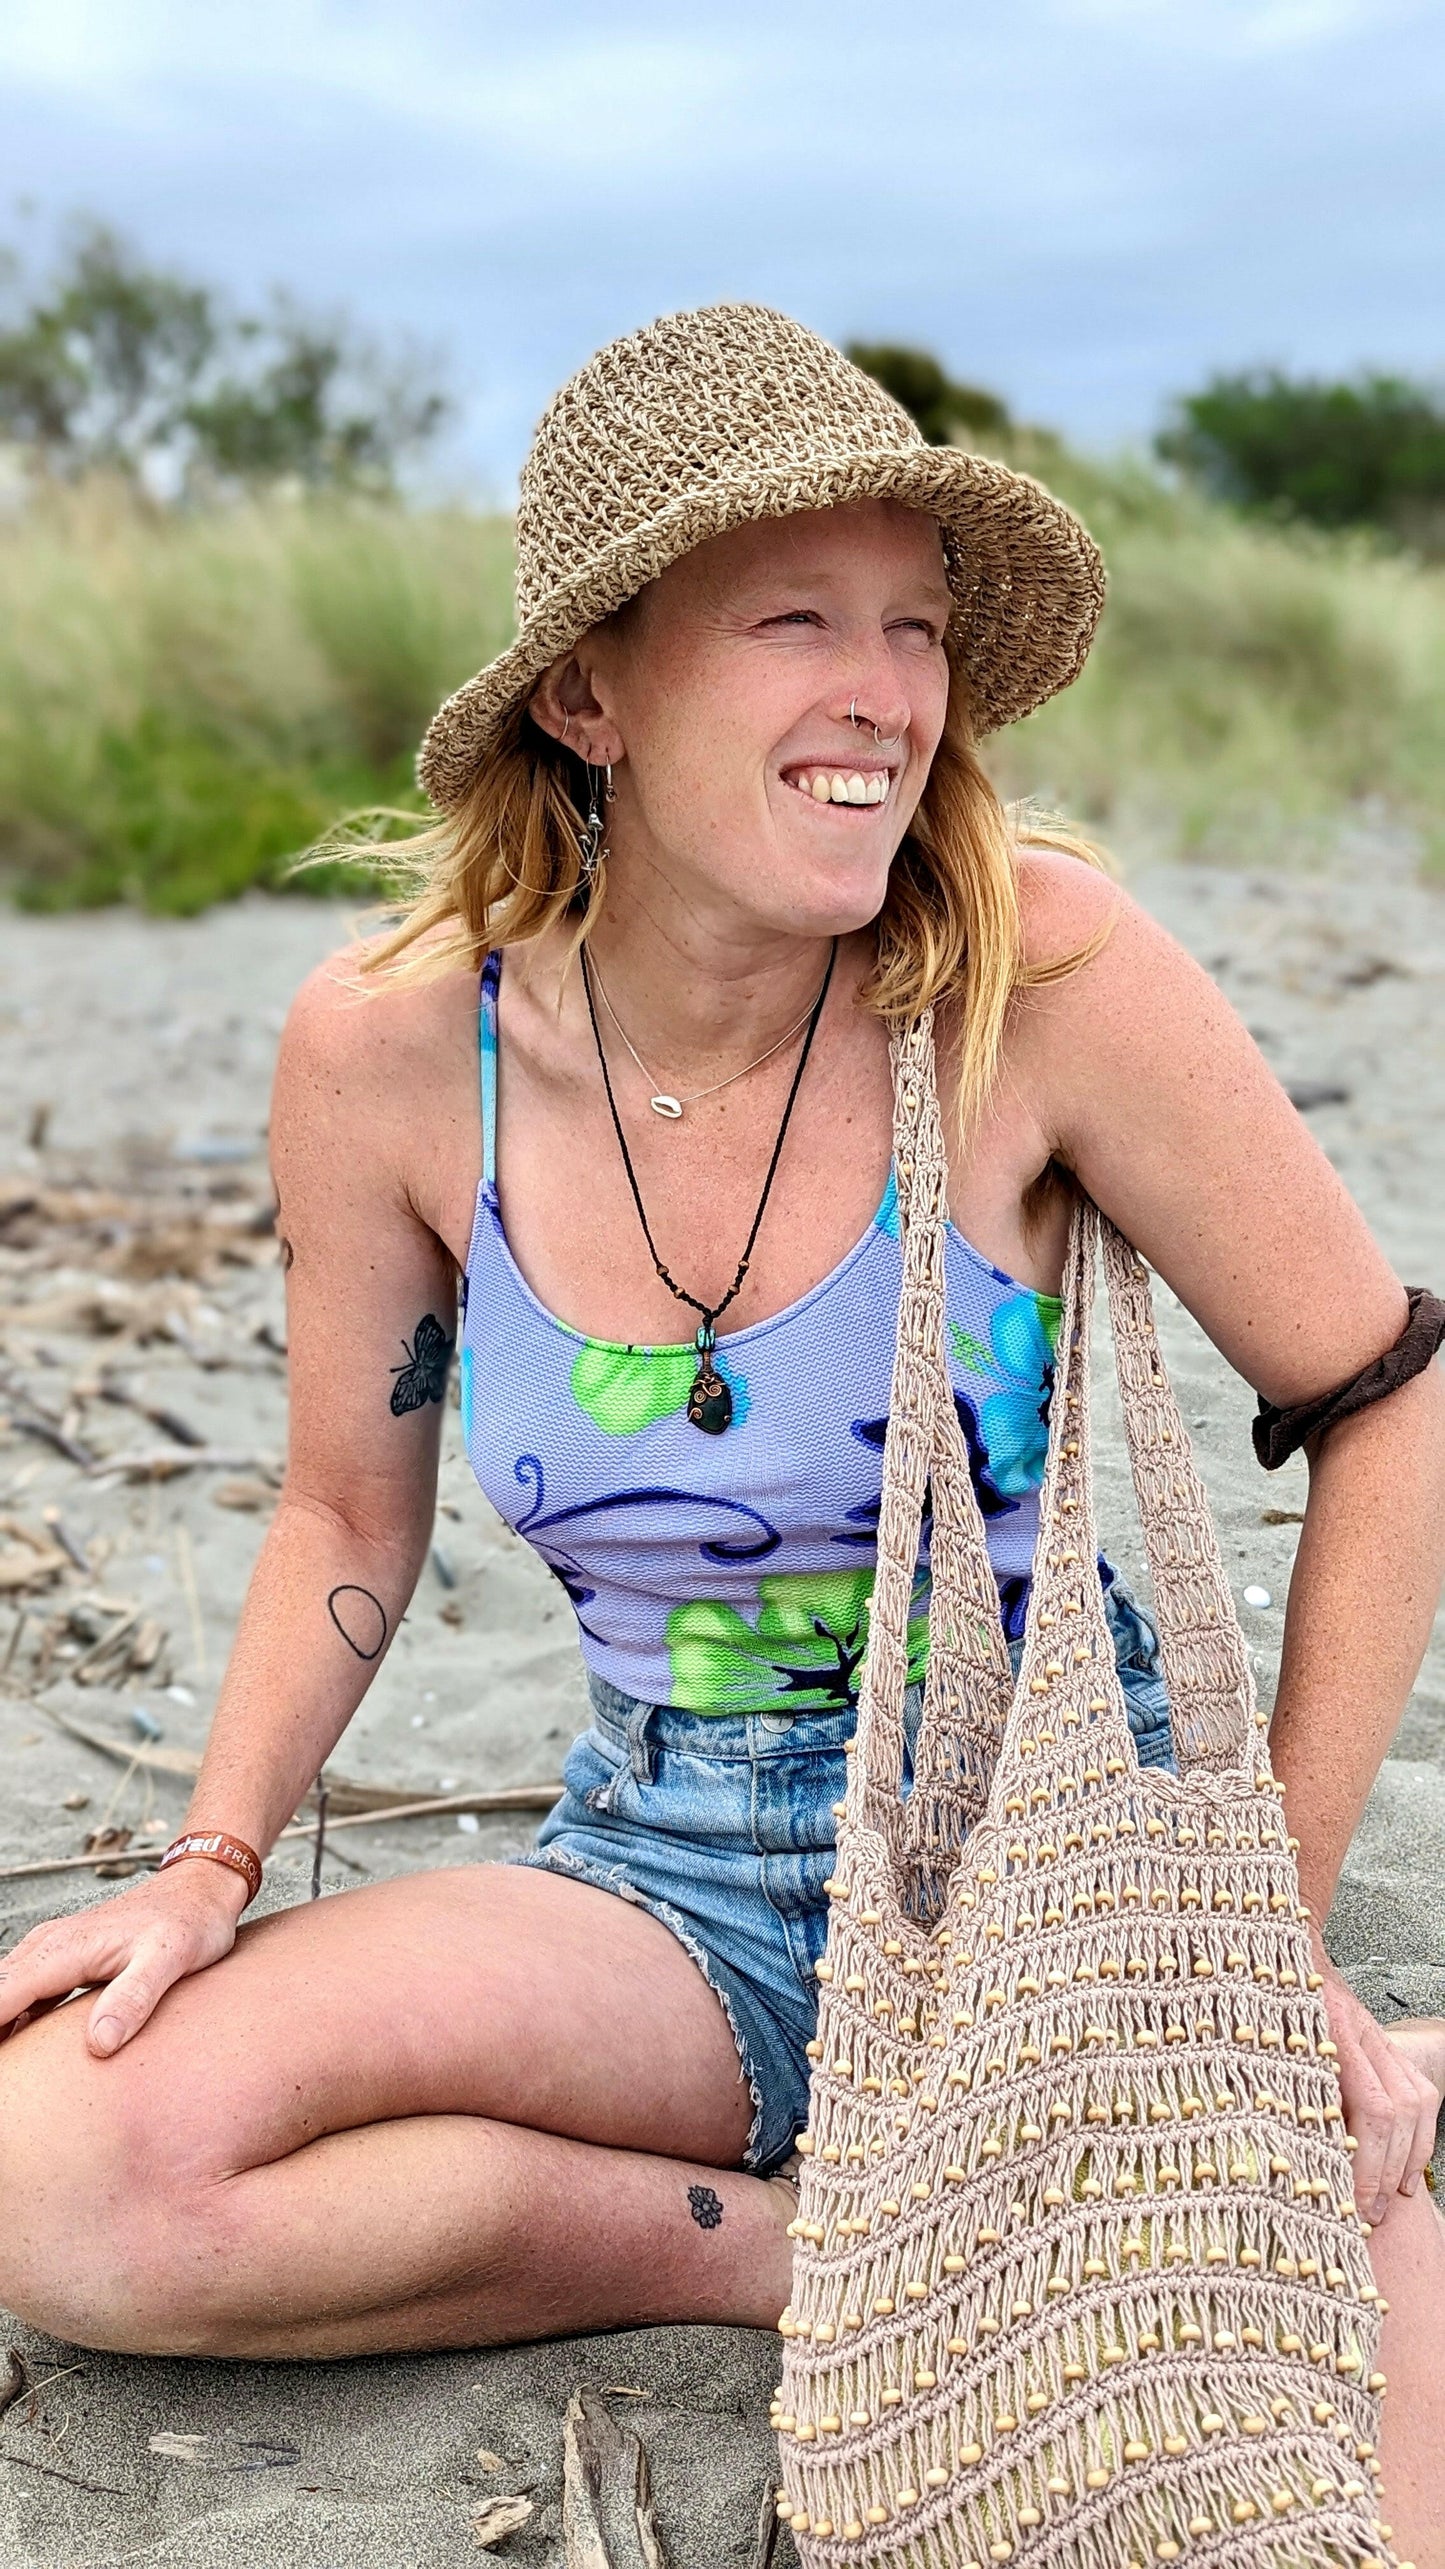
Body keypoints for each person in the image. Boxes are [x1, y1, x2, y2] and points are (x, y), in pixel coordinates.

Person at [2, 302, 1444, 2549]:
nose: (884, 692)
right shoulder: (393, 1057)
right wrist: (205, 1861)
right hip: (663, 1868)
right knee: (65, 2165)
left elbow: (1396, 1399)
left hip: (1039, 1850)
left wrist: (1260, 1912)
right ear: (592, 691)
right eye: (795, 621)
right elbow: (332, 1507)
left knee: (1340, 2441)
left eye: (915, 629)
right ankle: (830, 2254)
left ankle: (1038, 2181)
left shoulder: (1036, 977)